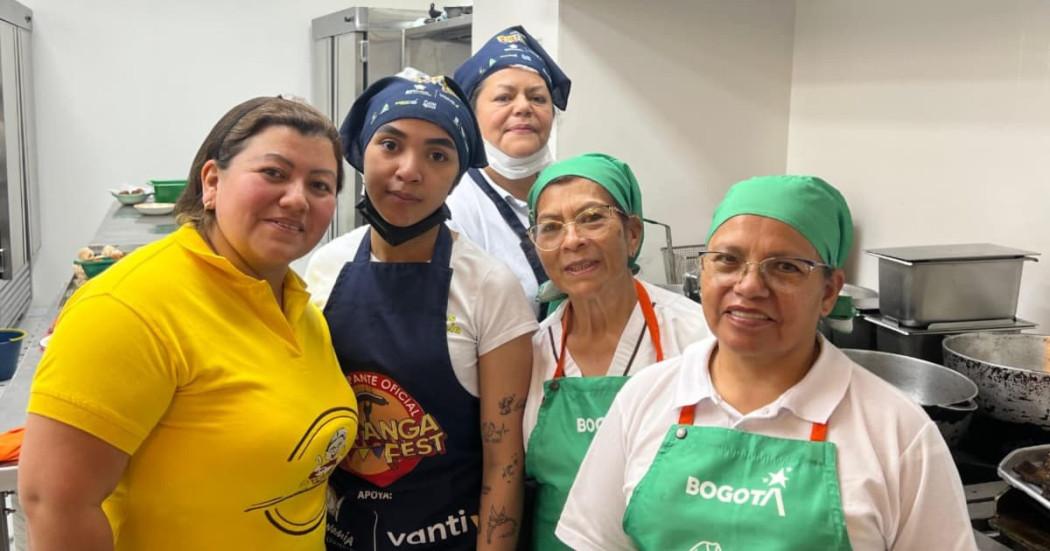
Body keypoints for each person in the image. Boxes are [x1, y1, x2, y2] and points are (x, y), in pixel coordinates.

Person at [556, 175, 977, 550]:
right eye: (727, 260)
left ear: (829, 291)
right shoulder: (645, 397)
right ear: (702, 273)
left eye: (786, 267)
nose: (750, 285)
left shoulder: (897, 432)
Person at [18, 96, 358, 550]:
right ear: (212, 182)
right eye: (274, 173)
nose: (297, 198)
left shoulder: (298, 306)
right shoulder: (131, 307)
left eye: (320, 185)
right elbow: (54, 504)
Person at [304, 69, 537, 551]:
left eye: (437, 154)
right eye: (390, 145)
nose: (410, 170)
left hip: (446, 537)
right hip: (336, 535)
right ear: (360, 152)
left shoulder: (490, 286)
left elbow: (504, 462)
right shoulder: (325, 268)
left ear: (456, 173)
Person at [521, 153, 709, 550]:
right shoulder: (532, 350)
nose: (572, 240)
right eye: (551, 227)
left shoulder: (697, 337)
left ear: (633, 234)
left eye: (592, 217)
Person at [446, 26, 572, 315]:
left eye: (538, 98)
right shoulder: (454, 207)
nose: (523, 108)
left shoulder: (575, 190)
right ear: (471, 114)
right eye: (504, 98)